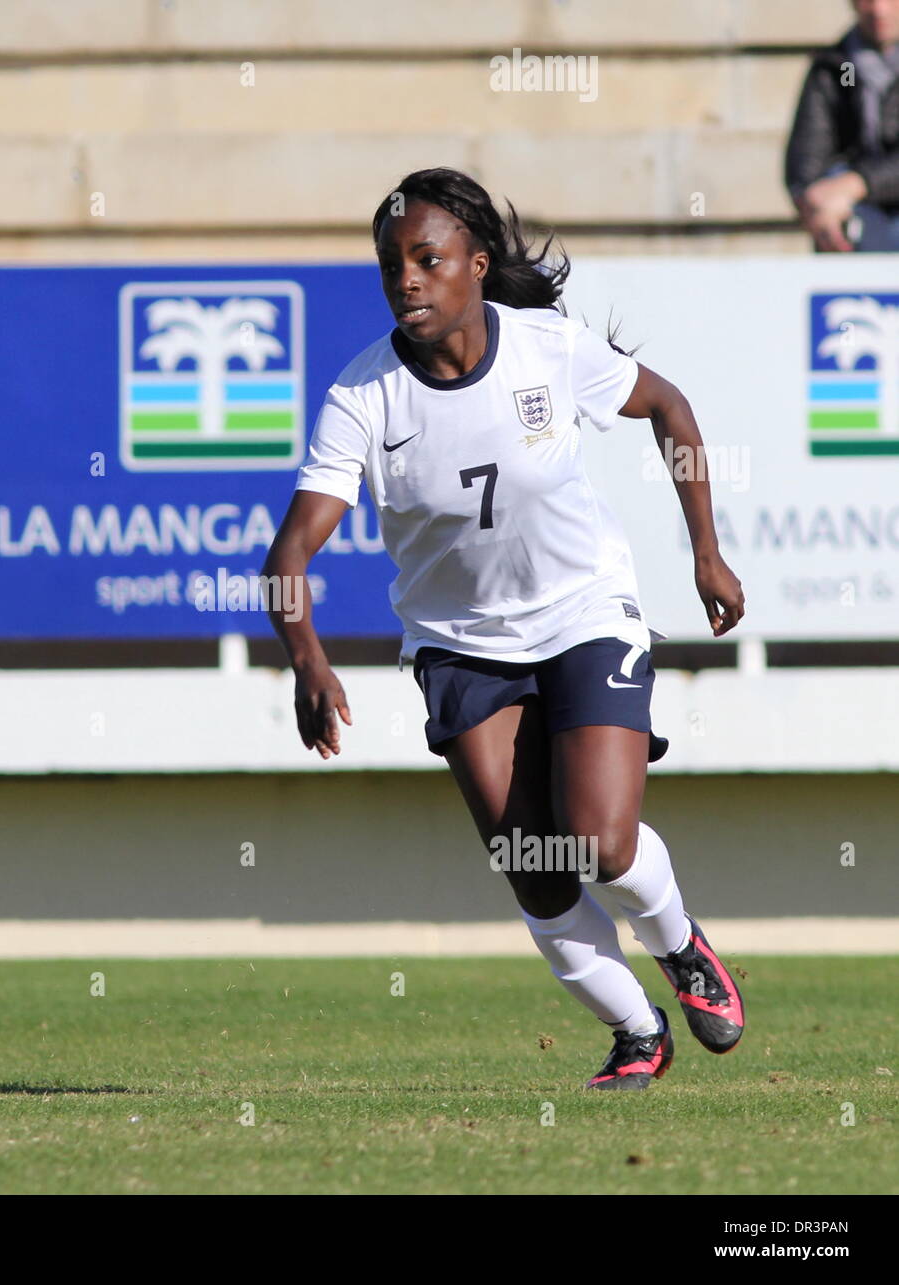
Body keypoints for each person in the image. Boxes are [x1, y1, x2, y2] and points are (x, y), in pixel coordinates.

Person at [261, 167, 747, 1090]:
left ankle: (681, 945)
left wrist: (706, 555)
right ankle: (637, 1032)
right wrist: (308, 663)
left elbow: (670, 408)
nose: (406, 279)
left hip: (584, 614)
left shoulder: (547, 349)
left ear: (477, 266)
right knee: (535, 866)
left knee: (599, 839)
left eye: (427, 259)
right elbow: (288, 560)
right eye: (391, 264)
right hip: (460, 643)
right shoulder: (363, 397)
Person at [785, 0, 899, 252]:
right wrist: (817, 203)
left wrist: (860, 182)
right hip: (853, 216)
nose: (879, 9)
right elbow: (805, 161)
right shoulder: (836, 67)